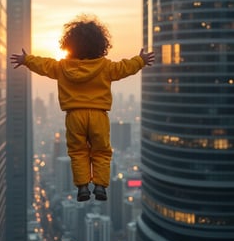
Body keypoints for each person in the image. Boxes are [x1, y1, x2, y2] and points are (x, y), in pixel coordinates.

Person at [10, 14, 155, 202]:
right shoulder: (105, 67)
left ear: (69, 44)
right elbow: (124, 67)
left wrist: (26, 59)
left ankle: (83, 188)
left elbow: (43, 65)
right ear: (101, 44)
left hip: (74, 116)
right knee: (101, 151)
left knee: (78, 152)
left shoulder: (62, 67)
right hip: (98, 115)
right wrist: (141, 60)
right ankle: (101, 186)